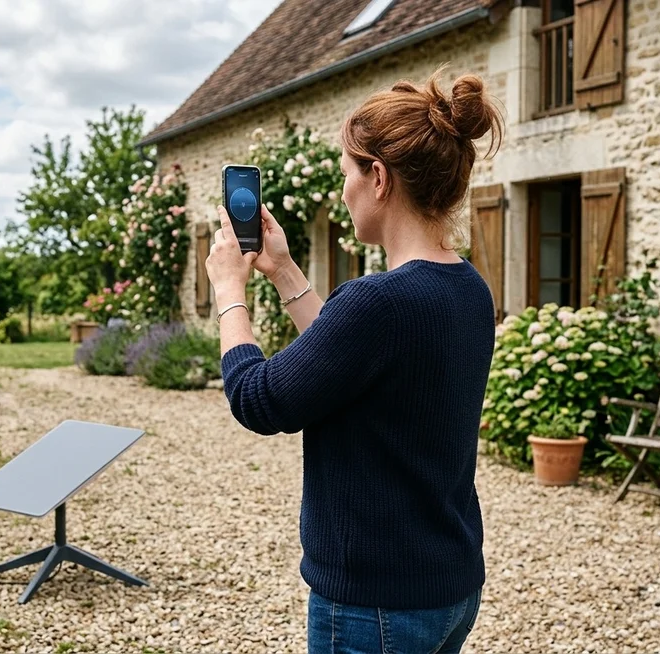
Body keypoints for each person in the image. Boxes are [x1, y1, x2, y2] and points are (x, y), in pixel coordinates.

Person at [204, 67, 504, 654]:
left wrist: (228, 291)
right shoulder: (469, 289)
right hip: (449, 587)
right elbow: (345, 358)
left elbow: (258, 400)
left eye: (347, 174)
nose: (344, 191)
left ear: (379, 178)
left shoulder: (378, 301)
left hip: (376, 605)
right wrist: (284, 269)